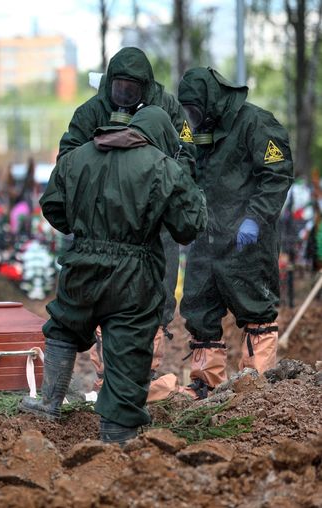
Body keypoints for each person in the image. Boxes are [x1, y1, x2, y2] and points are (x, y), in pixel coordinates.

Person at [20, 106, 207, 444]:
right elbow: (188, 227)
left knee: (64, 327)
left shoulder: (79, 157)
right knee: (127, 348)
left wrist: (86, 230)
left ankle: (48, 404)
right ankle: (116, 436)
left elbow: (52, 206)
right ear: (162, 137)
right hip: (133, 276)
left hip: (82, 265)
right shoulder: (163, 166)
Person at [56, 46, 195, 399]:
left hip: (151, 221)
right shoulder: (91, 111)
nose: (123, 95)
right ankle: (109, 382)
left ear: (145, 87)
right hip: (101, 221)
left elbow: (186, 157)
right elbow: (67, 162)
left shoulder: (168, 109)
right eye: (118, 87)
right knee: (87, 298)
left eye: (131, 88)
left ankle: (139, 378)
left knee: (155, 294)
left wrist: (165, 194)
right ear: (109, 84)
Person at [177, 67, 293, 398]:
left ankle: (255, 383)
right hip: (207, 234)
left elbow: (277, 173)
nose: (191, 117)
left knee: (255, 306)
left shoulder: (256, 124)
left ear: (211, 102)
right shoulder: (199, 130)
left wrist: (255, 217)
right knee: (199, 305)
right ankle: (205, 381)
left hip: (248, 240)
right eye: (187, 110)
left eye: (194, 110)